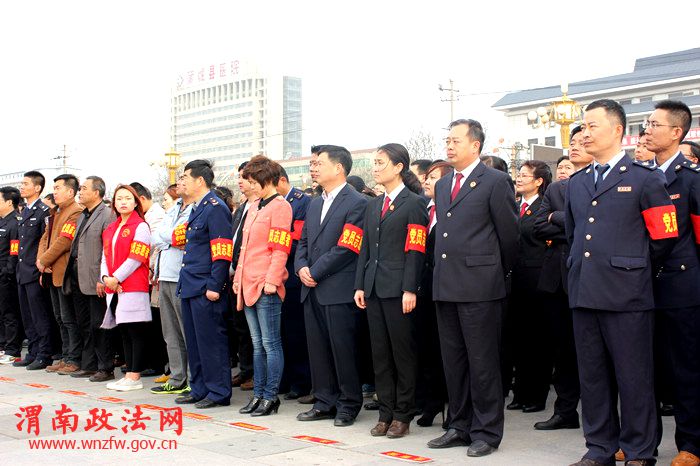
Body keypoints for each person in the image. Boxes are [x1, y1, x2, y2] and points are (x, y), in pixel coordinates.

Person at [565, 99, 677, 466]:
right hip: (584, 292)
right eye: (583, 126)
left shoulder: (645, 178)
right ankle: (599, 447)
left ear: (617, 130)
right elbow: (573, 235)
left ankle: (639, 449)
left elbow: (664, 237)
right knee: (592, 377)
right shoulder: (578, 182)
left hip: (627, 294)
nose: (585, 133)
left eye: (592, 126)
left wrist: (632, 268)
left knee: (634, 377)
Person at [428, 119, 518, 457]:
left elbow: (509, 236)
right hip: (446, 284)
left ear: (475, 145)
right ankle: (459, 425)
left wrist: (494, 273)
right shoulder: (443, 184)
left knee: (483, 363)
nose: (449, 146)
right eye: (447, 140)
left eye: (456, 141)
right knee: (454, 362)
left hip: (481, 286)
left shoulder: (495, 181)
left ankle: (487, 431)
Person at [354, 143, 428, 439]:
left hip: (399, 290)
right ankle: (385, 412)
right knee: (380, 354)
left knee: (402, 353)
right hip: (373, 287)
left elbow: (416, 249)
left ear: (399, 167)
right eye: (374, 162)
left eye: (380, 162)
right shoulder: (373, 205)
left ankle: (402, 414)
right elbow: (365, 248)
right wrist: (360, 284)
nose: (375, 168)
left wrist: (410, 288)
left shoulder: (414, 203)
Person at [294, 145, 368, 427]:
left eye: (319, 164)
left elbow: (348, 246)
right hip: (310, 287)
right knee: (318, 350)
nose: (313, 168)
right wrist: (301, 267)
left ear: (338, 168)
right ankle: (324, 401)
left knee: (343, 349)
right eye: (312, 164)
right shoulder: (314, 203)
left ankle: (349, 403)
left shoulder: (357, 202)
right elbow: (303, 241)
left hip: (338, 288)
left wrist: (315, 271)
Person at [644, 100, 700, 466]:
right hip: (641, 286)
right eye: (646, 123)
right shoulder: (639, 176)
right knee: (645, 370)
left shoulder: (691, 178)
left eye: (654, 124)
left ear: (676, 132)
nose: (647, 130)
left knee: (685, 370)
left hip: (681, 287)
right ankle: (642, 442)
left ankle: (691, 444)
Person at [532, 125, 592, 431]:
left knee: (594, 351)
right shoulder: (557, 189)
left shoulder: (603, 182)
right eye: (574, 141)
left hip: (593, 277)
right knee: (563, 350)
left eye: (582, 140)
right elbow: (538, 226)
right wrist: (569, 223)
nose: (577, 145)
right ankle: (566, 411)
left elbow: (594, 223)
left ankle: (601, 416)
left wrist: (559, 218)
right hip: (557, 280)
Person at [233, 155, 292, 416]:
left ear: (267, 180)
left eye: (253, 181)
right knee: (257, 344)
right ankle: (258, 394)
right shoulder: (254, 206)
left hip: (265, 285)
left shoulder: (280, 206)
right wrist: (238, 279)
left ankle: (270, 395)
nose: (250, 186)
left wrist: (272, 280)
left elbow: (280, 248)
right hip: (247, 284)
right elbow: (244, 249)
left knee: (270, 344)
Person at [174, 159, 233, 409]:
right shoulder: (197, 208)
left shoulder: (215, 208)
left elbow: (222, 251)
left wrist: (215, 286)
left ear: (200, 180)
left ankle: (218, 391)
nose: (181, 182)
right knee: (195, 342)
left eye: (185, 177)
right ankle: (198, 388)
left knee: (211, 341)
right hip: (190, 284)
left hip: (205, 286)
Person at [503, 160, 551, 414]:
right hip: (514, 280)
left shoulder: (544, 207)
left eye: (524, 175)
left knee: (537, 340)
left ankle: (536, 395)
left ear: (539, 181)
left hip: (536, 279)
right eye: (518, 175)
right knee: (517, 338)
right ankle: (520, 393)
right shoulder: (513, 205)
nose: (519, 179)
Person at [62, 176, 117, 382]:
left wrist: (103, 277)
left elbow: (108, 250)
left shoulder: (107, 214)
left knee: (99, 324)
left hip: (96, 278)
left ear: (96, 192)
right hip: (78, 276)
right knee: (83, 323)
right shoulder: (83, 215)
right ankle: (89, 364)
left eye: (84, 188)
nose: (80, 191)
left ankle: (105, 367)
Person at [100, 185, 152, 391]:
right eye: (119, 198)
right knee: (123, 331)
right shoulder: (111, 228)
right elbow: (104, 256)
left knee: (135, 331)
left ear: (136, 202)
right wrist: (106, 277)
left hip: (133, 286)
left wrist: (116, 278)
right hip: (114, 287)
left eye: (128, 198)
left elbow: (137, 257)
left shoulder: (141, 226)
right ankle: (128, 373)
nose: (123, 202)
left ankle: (135, 375)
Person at [414, 161, 451, 427]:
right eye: (427, 177)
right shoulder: (423, 209)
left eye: (434, 177)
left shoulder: (452, 211)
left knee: (446, 350)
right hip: (423, 289)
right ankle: (431, 402)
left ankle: (452, 406)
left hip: (448, 288)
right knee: (426, 349)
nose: (427, 181)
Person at [150, 176, 193, 394]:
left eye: (185, 178)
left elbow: (181, 237)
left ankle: (192, 379)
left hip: (181, 276)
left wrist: (167, 237)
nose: (180, 182)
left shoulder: (195, 208)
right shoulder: (174, 208)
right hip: (164, 275)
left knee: (187, 331)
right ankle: (177, 378)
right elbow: (156, 237)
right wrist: (169, 238)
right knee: (170, 333)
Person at [38, 174, 83, 375]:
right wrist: (41, 260)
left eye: (58, 188)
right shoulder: (55, 211)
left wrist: (44, 260)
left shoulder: (75, 211)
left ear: (71, 192)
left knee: (68, 318)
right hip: (51, 270)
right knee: (59, 317)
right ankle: (65, 356)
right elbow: (45, 238)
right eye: (54, 188)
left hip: (64, 272)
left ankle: (74, 358)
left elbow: (64, 242)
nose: (54, 192)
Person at [276, 166, 312, 400]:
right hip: (274, 275)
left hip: (293, 275)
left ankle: (301, 381)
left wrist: (273, 242)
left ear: (280, 180)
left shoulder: (300, 202)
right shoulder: (269, 204)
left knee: (295, 332)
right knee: (280, 333)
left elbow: (297, 241)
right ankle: (285, 379)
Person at [13, 171, 54, 370]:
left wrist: (41, 266)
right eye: (22, 183)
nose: (22, 187)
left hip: (35, 270)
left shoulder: (43, 211)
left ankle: (44, 354)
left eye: (26, 183)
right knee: (27, 316)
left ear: (37, 188)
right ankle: (33, 351)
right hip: (23, 271)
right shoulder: (25, 211)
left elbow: (45, 242)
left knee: (40, 315)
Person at [229, 162, 255, 391]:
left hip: (251, 276)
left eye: (244, 177)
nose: (240, 181)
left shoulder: (262, 206)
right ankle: (246, 369)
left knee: (253, 329)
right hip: (234, 275)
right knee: (240, 327)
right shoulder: (242, 207)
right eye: (239, 177)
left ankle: (255, 373)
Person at [0, 187, 22, 364]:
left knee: (9, 312)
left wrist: (7, 272)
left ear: (9, 202)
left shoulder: (14, 222)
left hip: (6, 276)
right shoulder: (2, 222)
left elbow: (14, 251)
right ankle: (3, 345)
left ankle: (12, 349)